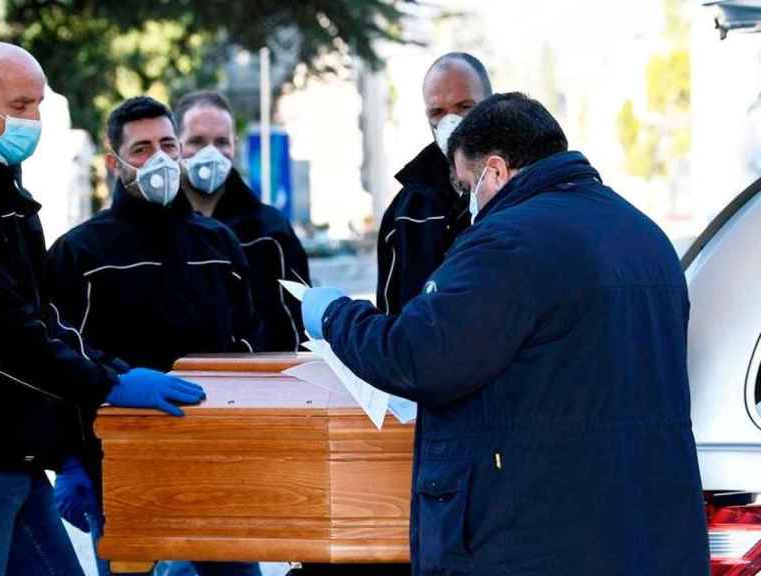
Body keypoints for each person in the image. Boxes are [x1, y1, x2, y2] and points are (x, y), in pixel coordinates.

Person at [301, 93, 710, 575]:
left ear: (494, 171)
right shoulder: (645, 236)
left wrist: (334, 316)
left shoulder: (507, 241)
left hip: (535, 540)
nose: (468, 202)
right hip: (645, 537)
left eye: (466, 184)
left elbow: (416, 355)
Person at [0, 43, 202, 576]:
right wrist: (104, 386)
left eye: (37, 105)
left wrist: (112, 373)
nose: (32, 121)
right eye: (19, 107)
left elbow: (40, 314)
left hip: (12, 448)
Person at [45, 96, 262, 576]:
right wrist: (70, 460)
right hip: (121, 470)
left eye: (167, 144)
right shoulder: (79, 253)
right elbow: (61, 356)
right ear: (113, 162)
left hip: (217, 467)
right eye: (141, 149)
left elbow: (250, 344)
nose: (159, 158)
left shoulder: (218, 244)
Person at [175, 90, 310, 351]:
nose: (211, 153)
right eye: (197, 142)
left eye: (221, 142)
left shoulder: (271, 230)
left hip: (259, 381)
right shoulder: (158, 228)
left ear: (234, 146)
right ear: (175, 146)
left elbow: (299, 319)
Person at [376, 52, 492, 316]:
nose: (451, 123)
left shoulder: (519, 194)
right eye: (438, 112)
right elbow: (389, 321)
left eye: (465, 107)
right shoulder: (406, 212)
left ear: (491, 105)